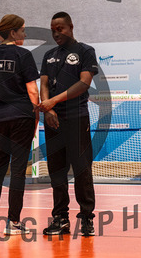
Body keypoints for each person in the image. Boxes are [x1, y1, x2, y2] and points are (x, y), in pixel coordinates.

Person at [0, 14, 40, 235]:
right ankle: (13, 223)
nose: (25, 33)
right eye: (22, 30)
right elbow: (32, 90)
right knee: (18, 170)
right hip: (22, 117)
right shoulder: (24, 55)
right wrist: (35, 114)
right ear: (13, 32)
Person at [38, 12, 98, 236]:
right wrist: (48, 108)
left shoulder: (85, 51)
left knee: (82, 169)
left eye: (60, 28)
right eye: (53, 30)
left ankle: (87, 218)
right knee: (56, 171)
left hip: (77, 118)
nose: (56, 33)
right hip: (53, 120)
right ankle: (60, 218)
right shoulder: (49, 55)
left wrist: (53, 101)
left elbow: (84, 83)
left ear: (71, 27)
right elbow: (44, 83)